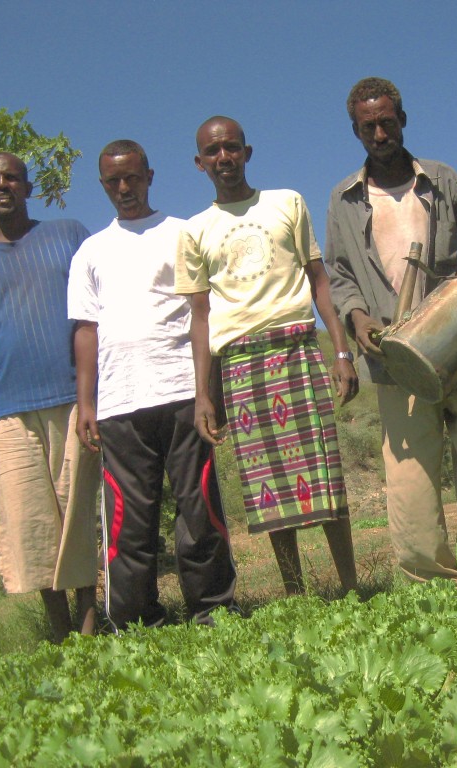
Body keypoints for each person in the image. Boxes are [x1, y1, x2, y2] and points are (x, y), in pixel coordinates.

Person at [325, 77, 457, 585]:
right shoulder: (344, 201)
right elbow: (340, 275)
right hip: (394, 357)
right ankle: (429, 580)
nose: (381, 132)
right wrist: (359, 319)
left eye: (388, 121)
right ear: (356, 131)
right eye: (369, 126)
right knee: (408, 475)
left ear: (403, 120)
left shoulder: (441, 180)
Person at [177, 116, 358, 596]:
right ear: (200, 163)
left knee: (325, 477)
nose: (224, 158)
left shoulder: (287, 202)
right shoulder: (195, 231)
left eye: (231, 148)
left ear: (247, 152)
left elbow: (320, 282)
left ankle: (351, 585)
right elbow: (200, 317)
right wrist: (203, 394)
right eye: (213, 152)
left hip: (297, 347)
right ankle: (295, 592)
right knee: (270, 487)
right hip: (240, 363)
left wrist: (340, 350)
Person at [68, 140, 239, 629]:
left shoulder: (181, 234)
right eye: (113, 181)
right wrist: (87, 402)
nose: (124, 188)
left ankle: (212, 610)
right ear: (103, 186)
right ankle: (135, 619)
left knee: (198, 507)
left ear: (149, 176)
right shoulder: (90, 252)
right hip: (120, 403)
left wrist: (209, 389)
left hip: (183, 392)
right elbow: (86, 329)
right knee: (129, 519)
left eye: (133, 177)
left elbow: (203, 313)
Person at [0, 152, 99, 641]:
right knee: (31, 524)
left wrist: (95, 396)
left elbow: (92, 318)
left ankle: (91, 624)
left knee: (76, 514)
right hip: (10, 412)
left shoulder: (68, 235)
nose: (1, 184)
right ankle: (57, 634)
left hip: (74, 400)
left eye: (11, 177)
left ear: (29, 187)